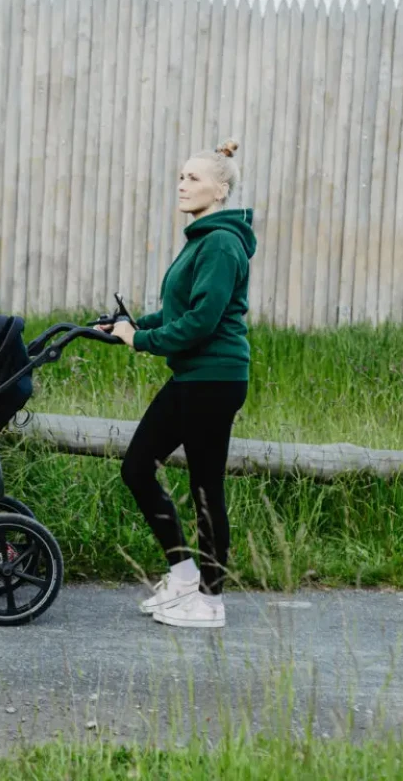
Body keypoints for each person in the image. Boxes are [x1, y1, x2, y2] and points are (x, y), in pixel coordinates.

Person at [99, 139, 256, 629]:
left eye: (193, 178)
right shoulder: (201, 239)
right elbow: (177, 313)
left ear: (221, 187)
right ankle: (185, 575)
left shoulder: (222, 243)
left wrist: (141, 339)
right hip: (196, 377)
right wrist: (124, 327)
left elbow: (202, 323)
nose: (182, 185)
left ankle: (210, 602)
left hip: (214, 377)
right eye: (181, 177)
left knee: (205, 488)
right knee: (137, 468)